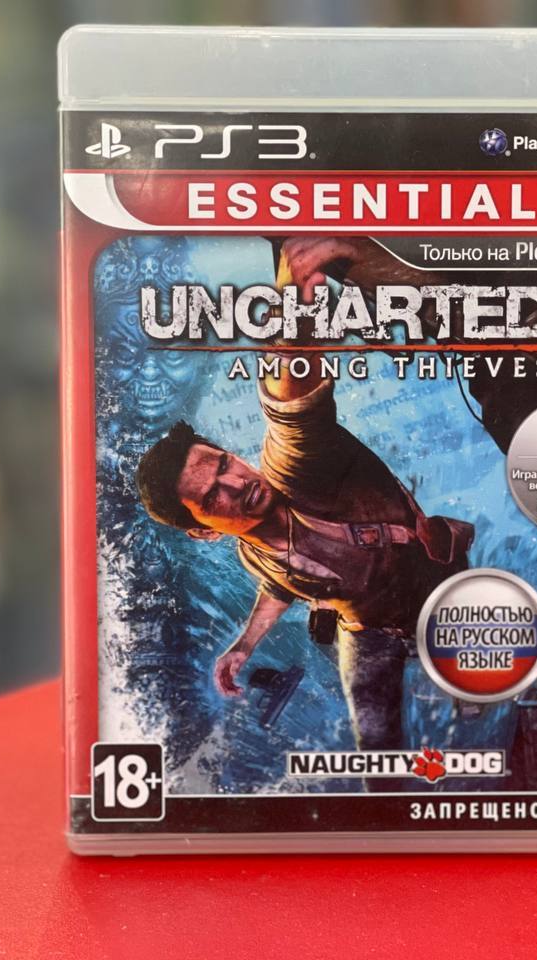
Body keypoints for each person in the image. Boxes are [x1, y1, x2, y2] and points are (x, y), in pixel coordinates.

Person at [136, 238, 473, 751]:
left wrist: (292, 313)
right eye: (212, 498)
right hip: (368, 631)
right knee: (373, 743)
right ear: (204, 531)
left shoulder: (296, 472)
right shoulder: (250, 551)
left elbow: (291, 412)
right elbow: (279, 584)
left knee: (487, 700)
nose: (238, 484)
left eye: (225, 464)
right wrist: (244, 646)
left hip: (438, 592)